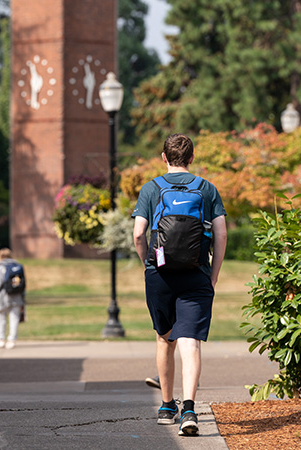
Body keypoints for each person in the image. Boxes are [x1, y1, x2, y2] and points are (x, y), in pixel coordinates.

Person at [132, 133, 227, 436]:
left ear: (164, 158)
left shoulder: (151, 189)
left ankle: (165, 406)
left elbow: (138, 233)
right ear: (192, 157)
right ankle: (189, 409)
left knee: (165, 339)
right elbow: (222, 234)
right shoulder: (207, 189)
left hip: (159, 274)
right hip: (196, 273)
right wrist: (213, 274)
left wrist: (148, 263)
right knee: (191, 342)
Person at [0, 248, 26, 350]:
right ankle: (12, 340)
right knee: (14, 318)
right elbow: (23, 285)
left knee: (1, 318)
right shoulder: (18, 267)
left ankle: (0, 339)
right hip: (17, 297)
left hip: (3, 297)